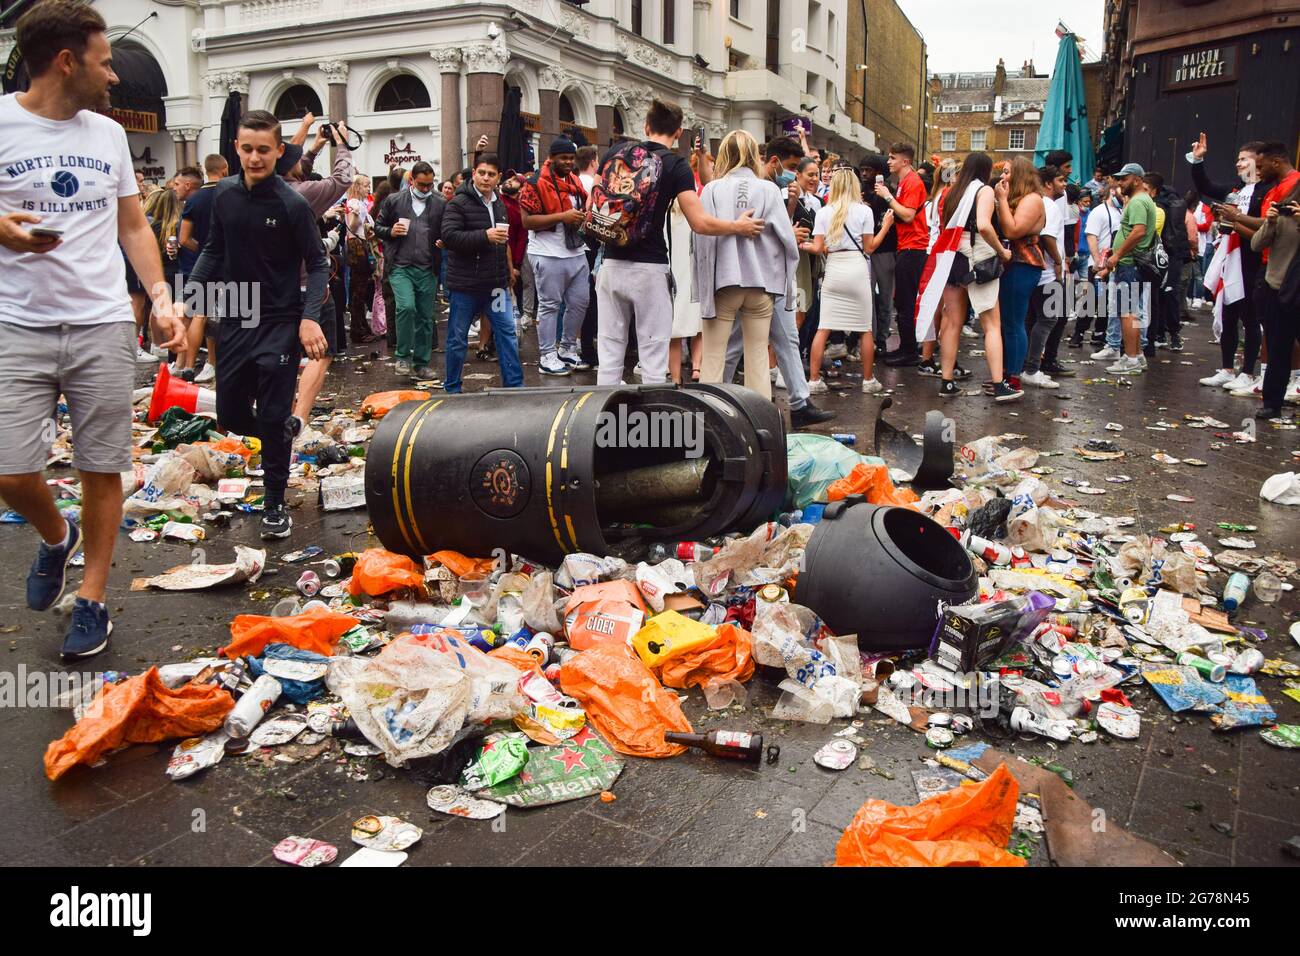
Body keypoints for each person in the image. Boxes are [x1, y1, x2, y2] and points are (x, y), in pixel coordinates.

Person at [0, 0, 185, 657]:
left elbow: (133, 225)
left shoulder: (105, 135)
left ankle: (93, 599)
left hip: (103, 321)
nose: (113, 77)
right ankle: (57, 537)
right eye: (105, 63)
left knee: (100, 465)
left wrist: (161, 296)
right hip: (17, 326)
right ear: (66, 61)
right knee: (12, 469)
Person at [187, 110, 329, 539]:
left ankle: (273, 504)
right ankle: (281, 431)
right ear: (236, 149)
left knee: (269, 410)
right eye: (247, 149)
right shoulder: (224, 195)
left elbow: (319, 262)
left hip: (279, 320)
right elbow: (212, 250)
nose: (254, 157)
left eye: (263, 150)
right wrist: (187, 298)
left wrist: (309, 318)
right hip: (235, 314)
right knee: (230, 414)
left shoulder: (292, 203)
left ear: (279, 151)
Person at [591, 99, 764, 386]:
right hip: (650, 269)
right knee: (653, 357)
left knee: (609, 352)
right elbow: (700, 222)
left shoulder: (613, 153)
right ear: (679, 132)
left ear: (645, 126)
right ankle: (651, 425)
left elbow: (592, 204)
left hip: (610, 264)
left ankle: (604, 423)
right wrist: (738, 226)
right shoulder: (675, 165)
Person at [712, 137, 836, 426]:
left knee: (777, 338)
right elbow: (777, 232)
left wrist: (791, 204)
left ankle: (793, 401)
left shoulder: (735, 188)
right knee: (743, 342)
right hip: (766, 276)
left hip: (747, 276)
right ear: (772, 160)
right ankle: (727, 400)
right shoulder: (765, 188)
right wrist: (789, 239)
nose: (791, 173)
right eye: (790, 167)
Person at [693, 130, 798, 400]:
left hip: (723, 282)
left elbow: (700, 242)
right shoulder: (769, 190)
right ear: (754, 155)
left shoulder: (712, 190)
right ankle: (759, 422)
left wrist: (702, 288)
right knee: (758, 358)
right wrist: (786, 286)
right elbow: (787, 240)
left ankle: (710, 417)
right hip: (762, 283)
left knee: (714, 358)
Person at [933, 152, 1017, 401]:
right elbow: (983, 224)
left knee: (951, 322)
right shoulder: (984, 191)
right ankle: (999, 383)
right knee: (992, 324)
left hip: (953, 258)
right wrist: (1002, 251)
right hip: (979, 257)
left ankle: (946, 382)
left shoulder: (952, 192)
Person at [803, 165, 892, 395]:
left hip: (834, 267)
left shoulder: (824, 211)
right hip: (857, 268)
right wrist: (887, 227)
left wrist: (799, 243)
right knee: (864, 329)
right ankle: (868, 380)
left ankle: (813, 380)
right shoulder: (864, 212)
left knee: (823, 327)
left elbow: (819, 248)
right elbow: (870, 247)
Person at [1189, 134, 1267, 392]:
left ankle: (1248, 373)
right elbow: (1206, 186)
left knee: (1250, 317)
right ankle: (1227, 369)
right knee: (1227, 313)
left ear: (1259, 163)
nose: (1239, 164)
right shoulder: (1235, 190)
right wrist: (1198, 160)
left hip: (1252, 260)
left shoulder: (1265, 192)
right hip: (1229, 258)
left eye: (1244, 160)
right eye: (1238, 160)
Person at [441, 152, 524, 393]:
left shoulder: (499, 203)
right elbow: (449, 236)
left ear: (498, 177)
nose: (486, 178)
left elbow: (505, 242)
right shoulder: (458, 202)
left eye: (491, 174)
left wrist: (509, 270)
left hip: (496, 286)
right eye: (481, 173)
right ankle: (452, 389)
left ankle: (515, 388)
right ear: (474, 173)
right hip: (465, 286)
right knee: (457, 338)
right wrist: (484, 236)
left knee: (507, 333)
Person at [519, 136, 591, 375]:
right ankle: (547, 355)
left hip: (576, 251)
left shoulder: (574, 182)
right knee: (550, 305)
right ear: (551, 158)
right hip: (547, 253)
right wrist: (563, 217)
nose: (569, 162)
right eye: (564, 158)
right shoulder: (534, 182)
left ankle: (568, 349)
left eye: (572, 158)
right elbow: (526, 221)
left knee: (580, 302)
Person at [374, 160, 444, 379]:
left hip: (427, 267)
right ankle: (403, 356)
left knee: (425, 316)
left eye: (430, 185)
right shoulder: (394, 201)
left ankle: (421, 364)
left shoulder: (440, 203)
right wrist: (390, 231)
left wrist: (444, 241)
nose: (426, 189)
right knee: (406, 307)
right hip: (400, 266)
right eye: (422, 184)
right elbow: (377, 227)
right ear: (412, 180)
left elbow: (448, 230)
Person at [1249, 143, 1300, 417]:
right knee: (1279, 344)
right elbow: (1257, 245)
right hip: (1277, 284)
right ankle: (1272, 403)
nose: (1258, 171)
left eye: (1262, 165)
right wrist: (1269, 221)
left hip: (1295, 284)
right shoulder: (1279, 210)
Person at [1096, 162, 1156, 375]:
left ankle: (1130, 359)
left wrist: (1119, 254)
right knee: (1133, 311)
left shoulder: (1138, 201)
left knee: (1127, 312)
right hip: (1132, 264)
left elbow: (1138, 231)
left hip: (1129, 264)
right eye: (1119, 179)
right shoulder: (1142, 200)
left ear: (1137, 180)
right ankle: (1137, 355)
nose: (1120, 182)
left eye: (1124, 178)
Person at [994, 157, 1047, 391]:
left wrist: (1002, 200)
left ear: (1021, 175)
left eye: (1007, 172)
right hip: (1012, 264)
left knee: (1014, 322)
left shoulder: (1033, 199)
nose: (1003, 177)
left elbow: (1012, 230)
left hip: (1024, 263)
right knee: (1007, 322)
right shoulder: (1021, 198)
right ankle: (1005, 373)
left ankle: (1013, 377)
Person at [877, 142, 928, 366]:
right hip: (906, 247)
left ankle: (909, 353)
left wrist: (887, 197)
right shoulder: (906, 181)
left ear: (905, 161)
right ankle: (905, 348)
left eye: (892, 157)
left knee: (905, 302)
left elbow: (907, 215)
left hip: (913, 248)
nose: (889, 161)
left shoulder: (913, 182)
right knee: (902, 301)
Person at [177, 153, 228, 382]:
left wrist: (203, 250)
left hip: (203, 265)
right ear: (224, 169)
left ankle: (188, 366)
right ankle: (214, 363)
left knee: (200, 315)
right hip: (230, 263)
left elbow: (183, 238)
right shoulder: (231, 194)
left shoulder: (194, 200)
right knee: (235, 313)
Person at [1021, 165, 1067, 388]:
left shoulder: (1037, 203)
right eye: (1061, 180)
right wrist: (1058, 261)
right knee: (1048, 319)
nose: (1064, 184)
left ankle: (1025, 366)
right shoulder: (1050, 206)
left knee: (1032, 319)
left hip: (1037, 273)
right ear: (1048, 183)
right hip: (1048, 274)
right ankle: (1031, 369)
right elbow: (1048, 237)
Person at [1143, 172, 1188, 352]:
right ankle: (1172, 335)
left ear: (1154, 190)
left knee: (1158, 296)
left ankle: (1159, 335)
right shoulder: (1175, 203)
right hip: (1172, 255)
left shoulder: (1157, 208)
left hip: (1160, 255)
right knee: (1168, 294)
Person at [860, 154, 897, 353]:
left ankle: (881, 338)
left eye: (869, 170)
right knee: (867, 297)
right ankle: (870, 338)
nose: (865, 173)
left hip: (885, 250)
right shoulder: (859, 192)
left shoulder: (887, 192)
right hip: (866, 250)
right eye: (863, 169)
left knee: (884, 298)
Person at [1084, 182, 1125, 359]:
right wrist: (1097, 263)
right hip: (1099, 266)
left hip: (1113, 266)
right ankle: (1080, 334)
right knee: (1095, 301)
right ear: (1113, 192)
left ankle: (1100, 334)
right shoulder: (1099, 212)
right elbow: (1091, 237)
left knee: (1108, 304)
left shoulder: (1121, 211)